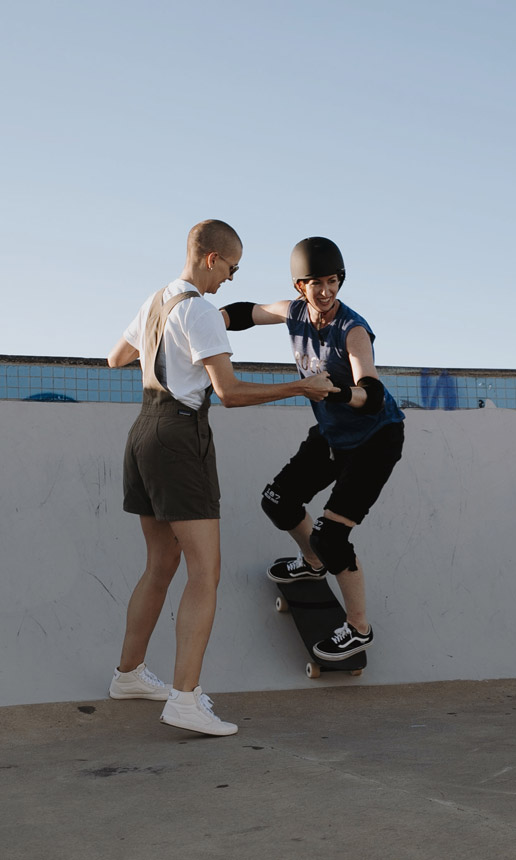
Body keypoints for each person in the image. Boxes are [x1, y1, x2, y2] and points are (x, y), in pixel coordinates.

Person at [106, 220, 334, 737]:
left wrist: (165, 349)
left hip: (143, 431)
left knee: (160, 563)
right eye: (231, 268)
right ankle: (185, 701)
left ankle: (129, 675)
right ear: (212, 258)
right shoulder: (200, 311)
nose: (230, 279)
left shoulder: (157, 301)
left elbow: (117, 358)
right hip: (180, 437)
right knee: (204, 572)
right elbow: (228, 393)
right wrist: (300, 387)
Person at [220, 237, 405, 663]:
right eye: (315, 283)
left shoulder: (353, 330)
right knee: (278, 501)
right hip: (332, 434)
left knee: (331, 537)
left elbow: (372, 394)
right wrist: (203, 321)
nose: (325, 291)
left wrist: (336, 392)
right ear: (300, 286)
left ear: (340, 280)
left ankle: (359, 628)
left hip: (375, 440)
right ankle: (312, 562)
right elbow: (247, 313)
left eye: (332, 281)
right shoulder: (294, 312)